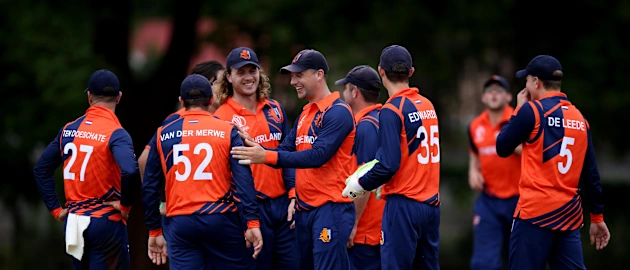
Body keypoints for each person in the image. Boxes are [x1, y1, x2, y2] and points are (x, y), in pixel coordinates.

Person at [230, 49, 357, 270]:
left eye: (299, 75)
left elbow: (317, 156)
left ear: (319, 74)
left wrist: (264, 155)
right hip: (305, 209)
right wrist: (255, 146)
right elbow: (285, 149)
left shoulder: (338, 112)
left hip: (331, 208)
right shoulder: (306, 113)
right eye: (291, 76)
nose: (293, 81)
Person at [496, 55, 610, 270]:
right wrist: (597, 217)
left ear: (537, 83)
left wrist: (519, 109)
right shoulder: (580, 119)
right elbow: (591, 173)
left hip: (535, 214)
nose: (526, 85)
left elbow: (502, 147)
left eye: (527, 80)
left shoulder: (533, 111)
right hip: (568, 216)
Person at [141, 74, 263, 269]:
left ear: (181, 101)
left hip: (181, 222)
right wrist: (252, 222)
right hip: (220, 218)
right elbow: (244, 181)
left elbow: (149, 187)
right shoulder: (227, 130)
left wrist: (154, 230)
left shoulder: (162, 133)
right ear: (211, 100)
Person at [342, 45, 441, 270]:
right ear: (411, 72)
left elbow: (388, 164)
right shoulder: (428, 105)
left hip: (404, 205)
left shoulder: (392, 109)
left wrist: (360, 184)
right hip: (432, 204)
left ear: (381, 71)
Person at [33, 69, 138, 269]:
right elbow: (130, 170)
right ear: (119, 98)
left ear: (89, 96)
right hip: (105, 222)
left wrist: (56, 209)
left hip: (74, 223)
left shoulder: (69, 129)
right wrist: (125, 206)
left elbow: (41, 169)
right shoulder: (117, 133)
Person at [213, 47, 297, 270]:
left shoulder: (275, 109)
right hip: (252, 210)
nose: (248, 77)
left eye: (253, 70)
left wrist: (293, 194)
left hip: (283, 207)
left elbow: (287, 156)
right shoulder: (221, 118)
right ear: (228, 77)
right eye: (241, 72)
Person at [467, 75, 521, 270]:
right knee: (483, 262)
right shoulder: (474, 126)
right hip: (489, 201)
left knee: (521, 261)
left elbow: (535, 153)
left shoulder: (519, 121)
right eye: (489, 91)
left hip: (520, 201)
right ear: (483, 98)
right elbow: (475, 156)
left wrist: (512, 142)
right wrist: (473, 171)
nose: (493, 94)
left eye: (499, 91)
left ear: (508, 97)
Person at [336, 65, 385, 270]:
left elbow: (365, 179)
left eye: (346, 88)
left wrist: (353, 223)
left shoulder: (364, 126)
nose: (343, 93)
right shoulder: (384, 118)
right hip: (383, 222)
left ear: (355, 91)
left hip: (367, 228)